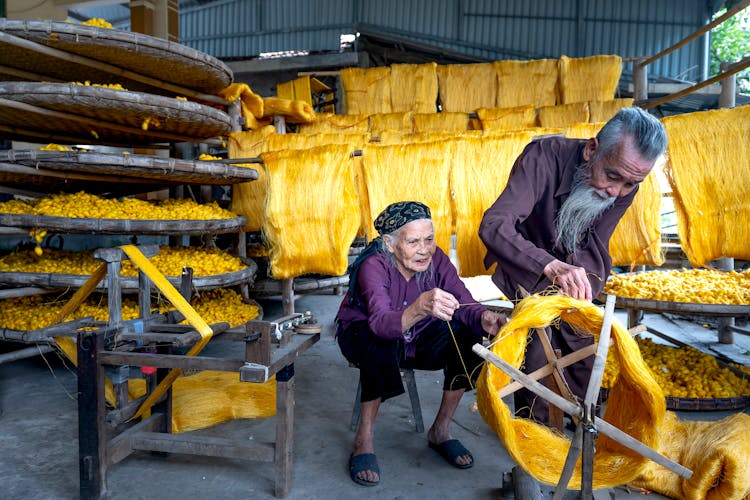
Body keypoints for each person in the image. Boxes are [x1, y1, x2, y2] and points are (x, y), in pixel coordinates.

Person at [479, 107, 667, 425]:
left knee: (585, 341)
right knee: (538, 344)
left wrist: (579, 289)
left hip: (577, 265)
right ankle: (532, 431)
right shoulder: (544, 156)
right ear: (592, 149)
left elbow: (595, 243)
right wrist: (550, 266)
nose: (615, 192)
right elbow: (495, 225)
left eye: (629, 184)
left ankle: (580, 417)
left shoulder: (626, 185)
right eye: (612, 176)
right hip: (525, 261)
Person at [335, 200, 505, 487]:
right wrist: (419, 307)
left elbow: (462, 301)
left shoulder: (436, 259)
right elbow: (380, 321)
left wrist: (484, 317)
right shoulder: (374, 264)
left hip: (416, 337)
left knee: (467, 335)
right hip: (364, 335)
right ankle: (364, 440)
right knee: (378, 342)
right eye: (413, 241)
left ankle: (440, 430)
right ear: (389, 244)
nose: (424, 249)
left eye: (429, 239)